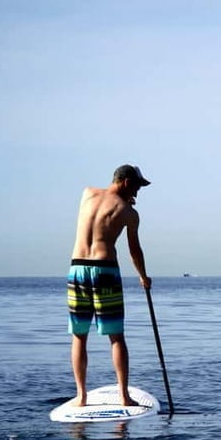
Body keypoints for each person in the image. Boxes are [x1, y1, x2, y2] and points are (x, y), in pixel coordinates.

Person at [67, 164, 152, 406]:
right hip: (105, 271)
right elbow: (134, 250)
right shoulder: (129, 213)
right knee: (116, 337)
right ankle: (124, 396)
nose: (137, 192)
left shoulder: (87, 193)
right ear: (126, 181)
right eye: (137, 186)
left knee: (79, 335)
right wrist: (143, 277)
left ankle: (81, 396)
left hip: (77, 269)